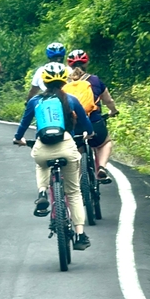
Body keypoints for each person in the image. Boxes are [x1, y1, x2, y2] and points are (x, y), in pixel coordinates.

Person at [13, 62, 93, 251]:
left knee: (41, 164)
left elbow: (23, 125)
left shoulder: (35, 101)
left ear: (44, 82)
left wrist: (18, 139)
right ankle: (80, 235)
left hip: (43, 145)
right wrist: (88, 134)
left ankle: (42, 193)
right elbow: (86, 124)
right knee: (73, 193)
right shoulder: (71, 99)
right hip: (66, 144)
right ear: (64, 80)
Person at [65, 49, 119, 184]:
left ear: (69, 65)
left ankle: (76, 180)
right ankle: (101, 167)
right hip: (94, 123)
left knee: (77, 149)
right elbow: (109, 101)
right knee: (105, 142)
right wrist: (113, 111)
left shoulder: (64, 83)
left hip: (74, 126)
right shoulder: (95, 80)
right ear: (87, 63)